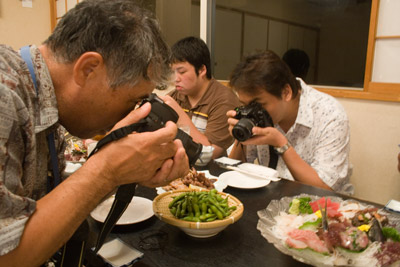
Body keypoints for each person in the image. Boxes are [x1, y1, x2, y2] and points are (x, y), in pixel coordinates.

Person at [0, 1, 189, 266]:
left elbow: (44, 212)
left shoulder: (45, 104)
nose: (128, 115)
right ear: (88, 68)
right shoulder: (5, 94)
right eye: (131, 101)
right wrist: (106, 169)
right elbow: (6, 256)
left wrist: (125, 171)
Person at [227, 50, 353, 194]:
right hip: (270, 196)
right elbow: (234, 168)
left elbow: (324, 188)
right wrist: (240, 136)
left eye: (258, 104)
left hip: (319, 205)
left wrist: (282, 144)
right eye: (245, 104)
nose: (252, 111)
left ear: (286, 92)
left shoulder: (330, 115)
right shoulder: (255, 113)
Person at [161, 36, 241, 159]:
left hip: (210, 173)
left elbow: (209, 154)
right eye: (173, 72)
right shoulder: (175, 95)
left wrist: (178, 113)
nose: (176, 79)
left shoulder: (224, 100)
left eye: (182, 72)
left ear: (202, 70)